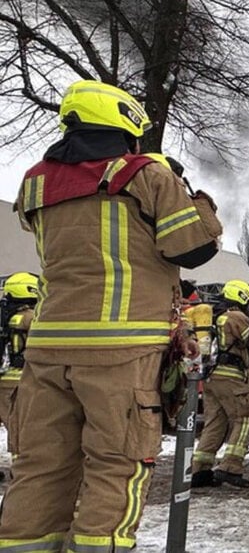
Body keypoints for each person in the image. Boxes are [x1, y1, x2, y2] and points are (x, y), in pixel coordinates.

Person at [0, 79, 222, 551]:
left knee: (39, 470)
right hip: (122, 353)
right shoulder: (146, 175)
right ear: (125, 127)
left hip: (48, 352)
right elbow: (195, 247)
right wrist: (188, 192)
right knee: (115, 466)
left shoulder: (36, 181)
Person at [192, 279, 249, 488]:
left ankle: (199, 470)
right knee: (246, 417)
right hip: (231, 377)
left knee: (215, 423)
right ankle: (230, 467)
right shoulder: (235, 316)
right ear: (240, 297)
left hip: (211, 378)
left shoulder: (215, 316)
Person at [0, 272, 39, 467]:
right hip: (19, 381)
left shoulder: (3, 317)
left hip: (3, 378)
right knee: (20, 429)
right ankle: (21, 469)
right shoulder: (30, 318)